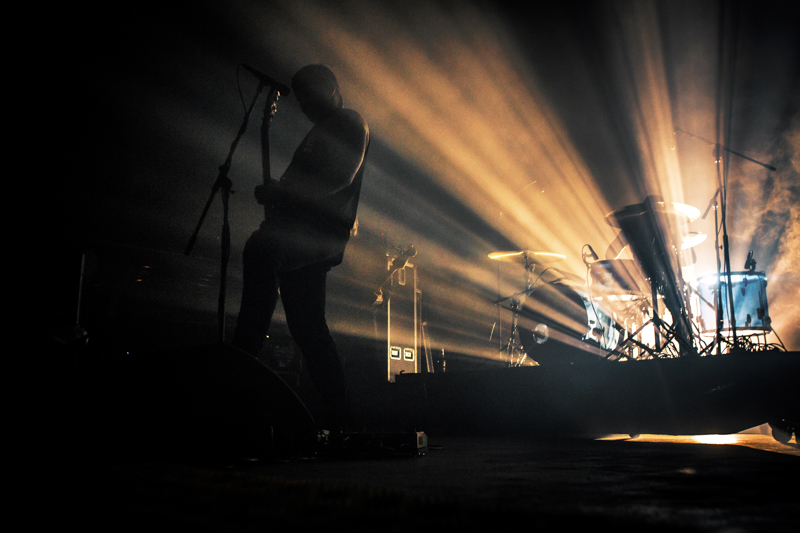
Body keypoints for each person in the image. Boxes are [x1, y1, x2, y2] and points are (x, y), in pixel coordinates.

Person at [232, 64, 369, 428]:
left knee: (261, 250)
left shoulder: (350, 122)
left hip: (319, 234)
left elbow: (342, 177)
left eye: (310, 94)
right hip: (303, 235)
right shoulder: (320, 131)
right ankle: (342, 421)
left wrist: (284, 193)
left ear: (333, 89)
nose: (305, 103)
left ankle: (241, 359)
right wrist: (278, 198)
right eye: (301, 96)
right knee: (308, 329)